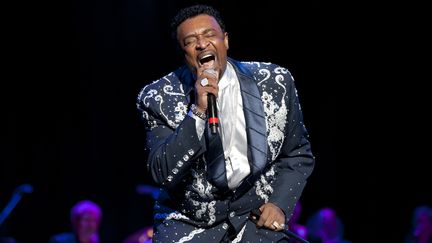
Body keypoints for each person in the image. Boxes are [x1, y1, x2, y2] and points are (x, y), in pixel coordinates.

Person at [136, 4, 315, 242]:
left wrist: (280, 204)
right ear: (184, 53)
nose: (202, 44)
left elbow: (298, 153)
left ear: (226, 40)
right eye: (191, 40)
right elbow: (163, 173)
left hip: (255, 218)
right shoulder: (158, 97)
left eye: (210, 35)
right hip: (189, 224)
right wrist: (198, 112)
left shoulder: (274, 81)